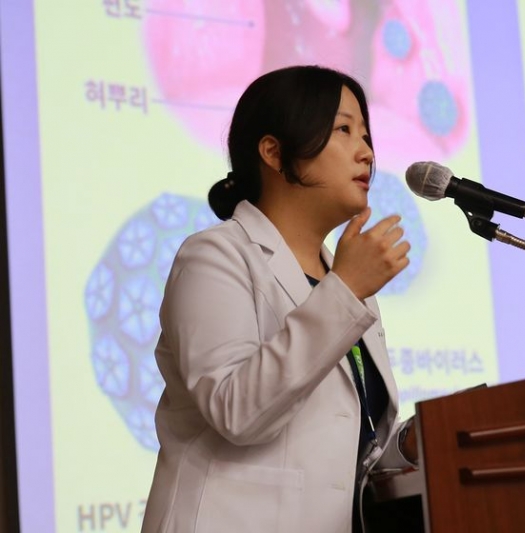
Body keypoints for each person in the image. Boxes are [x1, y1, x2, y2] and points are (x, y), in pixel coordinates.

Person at [141, 65, 417, 533]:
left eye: (367, 135)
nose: (367, 152)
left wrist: (412, 443)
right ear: (274, 152)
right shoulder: (215, 256)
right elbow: (237, 410)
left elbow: (342, 447)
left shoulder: (341, 278)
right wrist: (346, 290)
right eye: (344, 130)